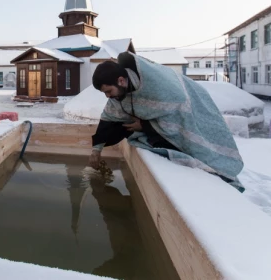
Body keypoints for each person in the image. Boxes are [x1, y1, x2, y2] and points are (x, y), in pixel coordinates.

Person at [89, 52, 245, 192]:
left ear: (121, 81)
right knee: (118, 129)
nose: (107, 97)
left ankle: (221, 174)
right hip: (161, 119)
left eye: (108, 91)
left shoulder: (160, 86)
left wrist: (144, 126)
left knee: (202, 151)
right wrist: (96, 150)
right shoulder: (119, 94)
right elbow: (108, 118)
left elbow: (178, 113)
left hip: (192, 106)